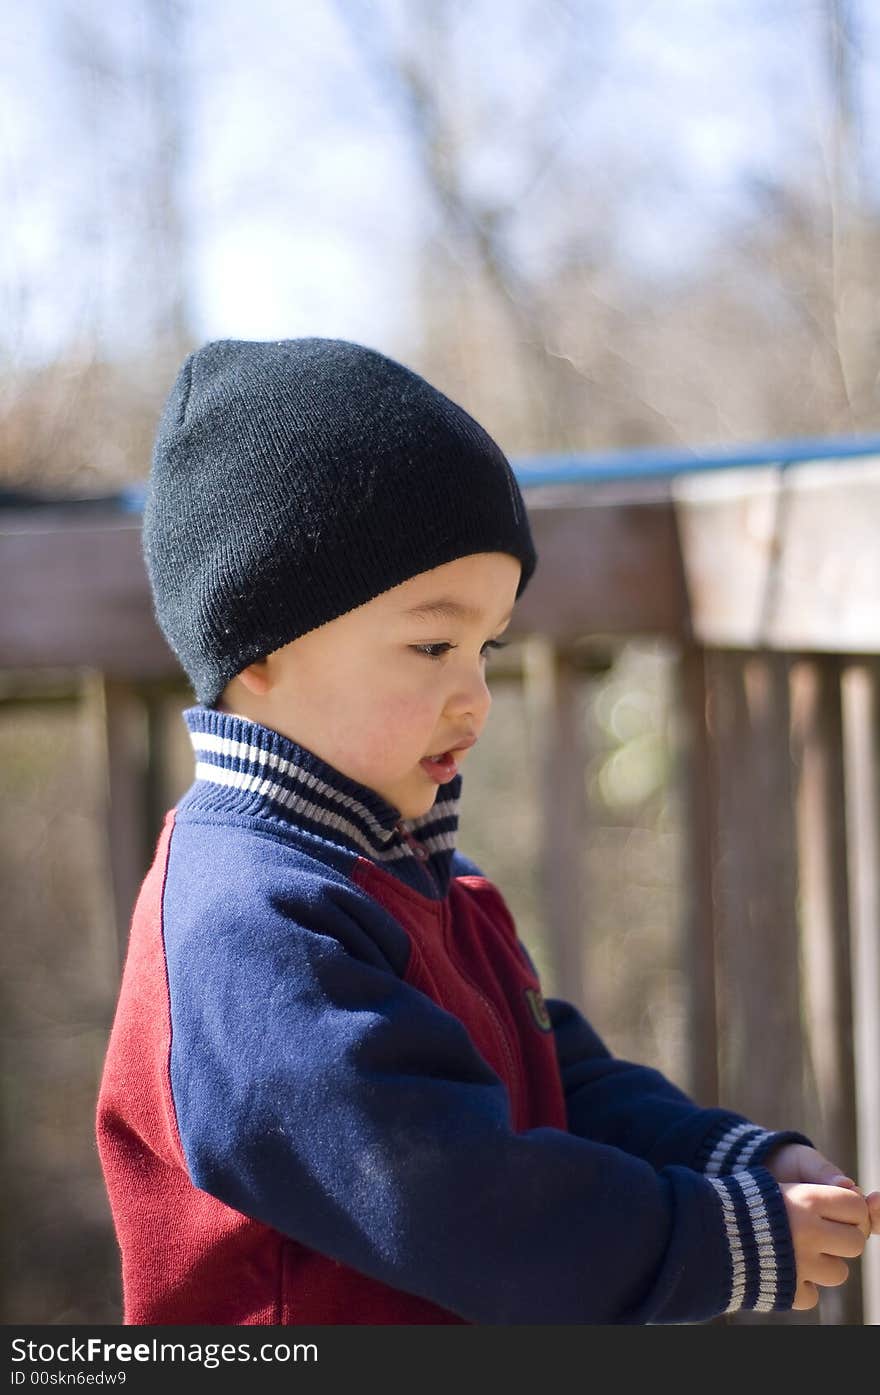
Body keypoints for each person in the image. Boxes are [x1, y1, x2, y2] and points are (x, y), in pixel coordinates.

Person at [96, 336, 879, 1326]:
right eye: (432, 644)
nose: (474, 695)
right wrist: (711, 1238)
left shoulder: (424, 879)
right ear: (261, 647)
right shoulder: (249, 927)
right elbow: (456, 1200)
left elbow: (563, 1085)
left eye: (487, 646)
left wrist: (723, 1157)